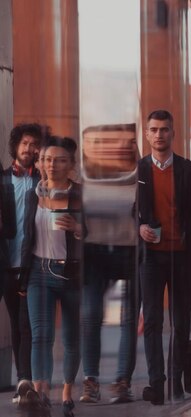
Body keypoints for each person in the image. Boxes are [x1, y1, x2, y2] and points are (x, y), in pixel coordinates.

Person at [137, 110, 191, 405]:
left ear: (173, 133)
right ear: (147, 134)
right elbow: (127, 213)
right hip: (150, 259)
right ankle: (156, 384)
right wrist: (140, 227)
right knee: (154, 321)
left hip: (186, 257)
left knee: (182, 322)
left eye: (165, 130)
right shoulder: (137, 171)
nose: (159, 135)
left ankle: (176, 382)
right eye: (154, 130)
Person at [20, 136, 84, 417]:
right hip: (38, 271)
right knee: (41, 336)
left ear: (70, 164)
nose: (52, 165)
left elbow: (99, 235)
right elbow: (26, 238)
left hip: (70, 273)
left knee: (71, 338)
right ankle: (41, 392)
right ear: (40, 162)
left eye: (59, 160)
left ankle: (67, 393)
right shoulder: (32, 194)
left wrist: (79, 228)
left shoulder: (81, 195)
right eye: (47, 159)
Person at [79, 123, 140, 404]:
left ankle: (122, 382)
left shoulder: (138, 177)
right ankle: (90, 380)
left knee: (129, 320)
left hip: (130, 253)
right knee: (90, 315)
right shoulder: (85, 179)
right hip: (95, 254)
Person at [0, 123, 44, 406]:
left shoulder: (43, 181)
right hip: (4, 264)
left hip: (30, 266)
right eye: (25, 143)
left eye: (34, 144)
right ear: (15, 145)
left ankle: (25, 381)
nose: (29, 149)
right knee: (17, 325)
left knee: (26, 327)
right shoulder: (2, 179)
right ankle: (22, 381)